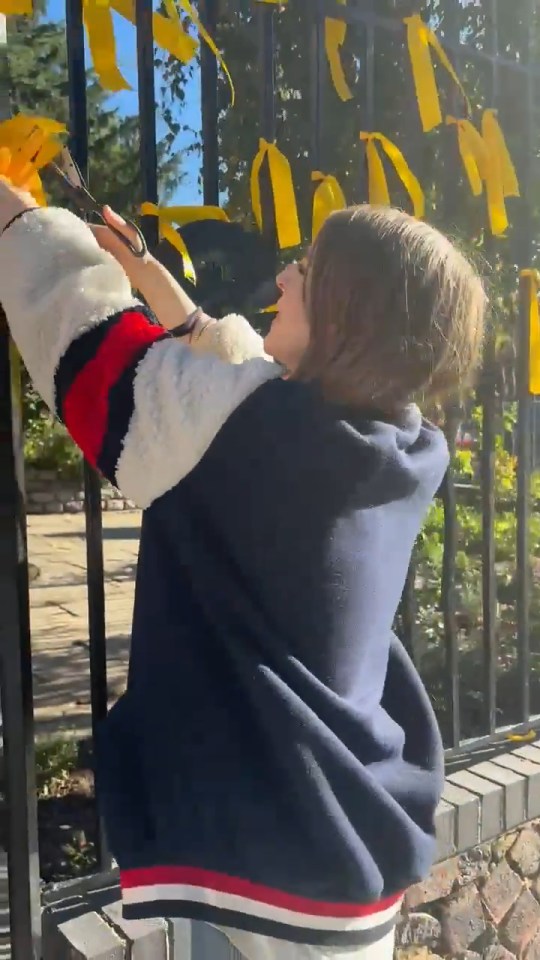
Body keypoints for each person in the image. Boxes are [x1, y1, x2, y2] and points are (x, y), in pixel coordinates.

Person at [0, 179, 485, 960]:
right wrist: (152, 276)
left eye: (311, 270)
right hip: (344, 844)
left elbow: (89, 352)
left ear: (349, 317)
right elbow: (243, 386)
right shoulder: (401, 444)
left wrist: (24, 224)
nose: (285, 278)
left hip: (265, 866)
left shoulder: (255, 433)